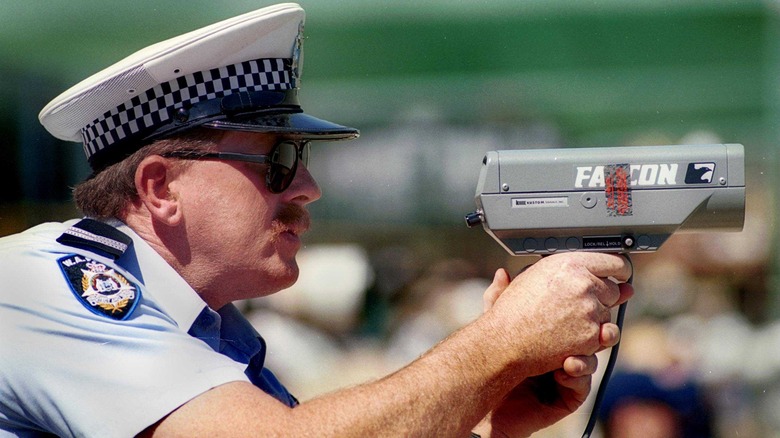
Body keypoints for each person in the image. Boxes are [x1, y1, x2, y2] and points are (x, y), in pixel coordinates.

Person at [0, 3, 633, 437]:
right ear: (160, 186)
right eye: (277, 159)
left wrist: (489, 416)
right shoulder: (44, 286)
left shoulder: (206, 333)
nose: (308, 187)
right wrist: (494, 350)